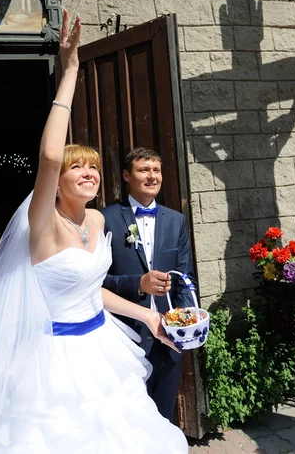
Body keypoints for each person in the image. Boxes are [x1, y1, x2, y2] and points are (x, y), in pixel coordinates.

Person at [0, 10, 188, 454]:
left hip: (102, 349)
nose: (88, 173)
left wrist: (148, 316)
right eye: (76, 167)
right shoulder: (41, 225)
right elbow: (46, 156)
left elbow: (91, 290)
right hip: (54, 363)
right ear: (56, 182)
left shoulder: (97, 222)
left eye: (94, 167)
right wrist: (70, 71)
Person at [101, 147, 196, 422]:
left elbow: (185, 277)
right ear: (126, 175)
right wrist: (138, 284)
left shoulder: (176, 220)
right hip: (124, 338)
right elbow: (94, 282)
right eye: (144, 170)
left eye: (156, 170)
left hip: (168, 338)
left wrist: (186, 324)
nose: (152, 176)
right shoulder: (105, 219)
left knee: (163, 418)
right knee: (128, 420)